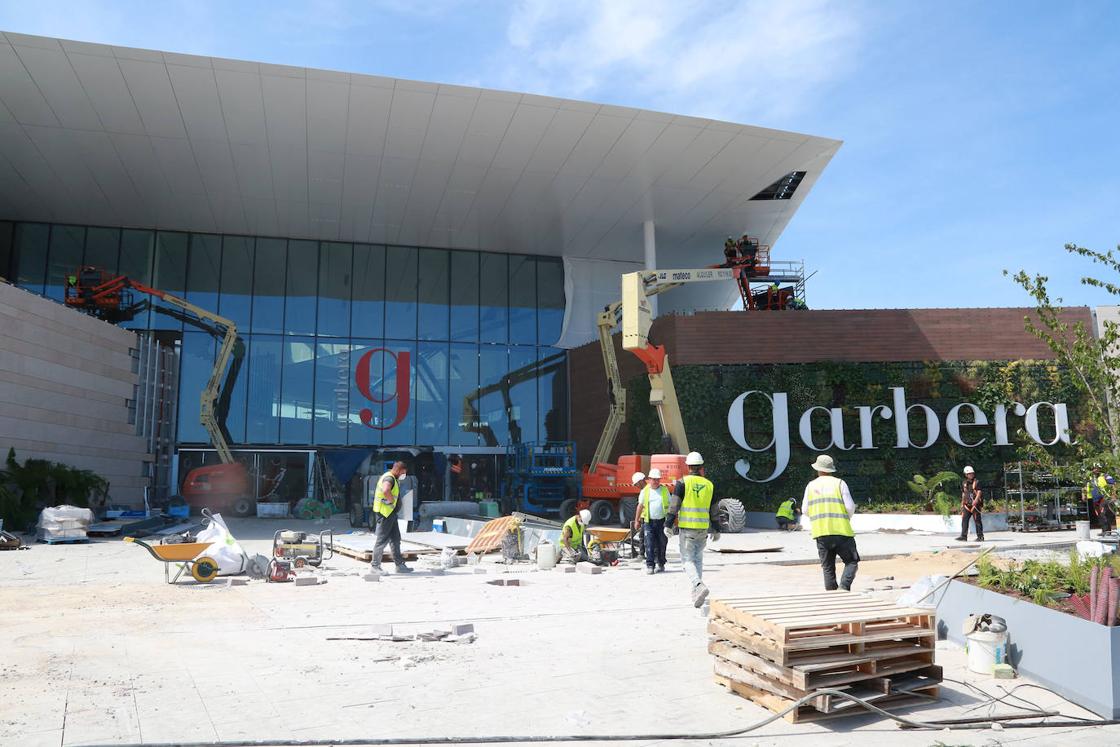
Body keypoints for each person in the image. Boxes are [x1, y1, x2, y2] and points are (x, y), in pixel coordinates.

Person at [666, 451, 720, 607]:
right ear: (701, 466)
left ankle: (698, 585)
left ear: (688, 466)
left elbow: (674, 505)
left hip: (687, 528)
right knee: (698, 559)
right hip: (703, 529)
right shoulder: (709, 485)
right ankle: (697, 593)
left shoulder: (682, 483)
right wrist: (716, 529)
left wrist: (668, 525)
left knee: (687, 560)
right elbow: (714, 509)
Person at [803, 454, 859, 591]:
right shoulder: (840, 483)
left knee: (828, 568)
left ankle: (832, 596)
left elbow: (805, 510)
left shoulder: (811, 486)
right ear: (831, 469)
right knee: (851, 561)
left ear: (818, 469)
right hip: (842, 532)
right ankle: (844, 588)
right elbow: (850, 507)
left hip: (821, 533)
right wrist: (845, 518)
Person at [370, 461, 413, 574]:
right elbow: (385, 490)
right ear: (398, 470)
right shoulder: (389, 478)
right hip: (385, 514)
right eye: (403, 473)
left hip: (391, 514)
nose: (404, 475)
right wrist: (392, 500)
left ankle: (399, 565)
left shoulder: (393, 478)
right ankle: (375, 566)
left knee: (395, 539)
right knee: (381, 540)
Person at [633, 468, 669, 574]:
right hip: (649, 522)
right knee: (649, 543)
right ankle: (650, 565)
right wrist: (637, 520)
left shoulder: (664, 490)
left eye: (658, 479)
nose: (656, 481)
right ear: (649, 479)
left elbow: (671, 505)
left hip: (662, 521)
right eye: (654, 479)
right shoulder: (645, 491)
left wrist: (673, 520)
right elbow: (640, 506)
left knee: (662, 543)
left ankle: (661, 563)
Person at [955, 466, 984, 542]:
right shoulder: (964, 483)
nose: (971, 475)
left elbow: (979, 492)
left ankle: (980, 537)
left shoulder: (977, 482)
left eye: (972, 473)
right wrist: (962, 504)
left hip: (975, 505)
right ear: (966, 475)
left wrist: (976, 501)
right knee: (964, 520)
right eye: (969, 474)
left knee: (977, 520)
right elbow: (963, 494)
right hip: (967, 505)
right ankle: (963, 536)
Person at [1085, 466, 1110, 532]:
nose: (1096, 470)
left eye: (1097, 468)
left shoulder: (1105, 475)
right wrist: (1085, 495)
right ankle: (1104, 530)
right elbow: (1086, 487)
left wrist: (1113, 494)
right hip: (1094, 499)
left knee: (1103, 514)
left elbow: (1113, 483)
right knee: (1099, 515)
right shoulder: (1090, 478)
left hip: (1103, 497)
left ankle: (1107, 531)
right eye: (1094, 468)